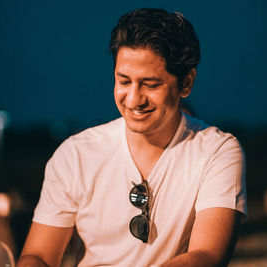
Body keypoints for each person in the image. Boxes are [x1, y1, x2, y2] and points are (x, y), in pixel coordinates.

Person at [17, 8, 247, 267]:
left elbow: (207, 256)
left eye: (150, 84)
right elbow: (38, 255)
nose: (134, 99)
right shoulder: (76, 155)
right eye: (124, 81)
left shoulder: (217, 151)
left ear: (186, 83)